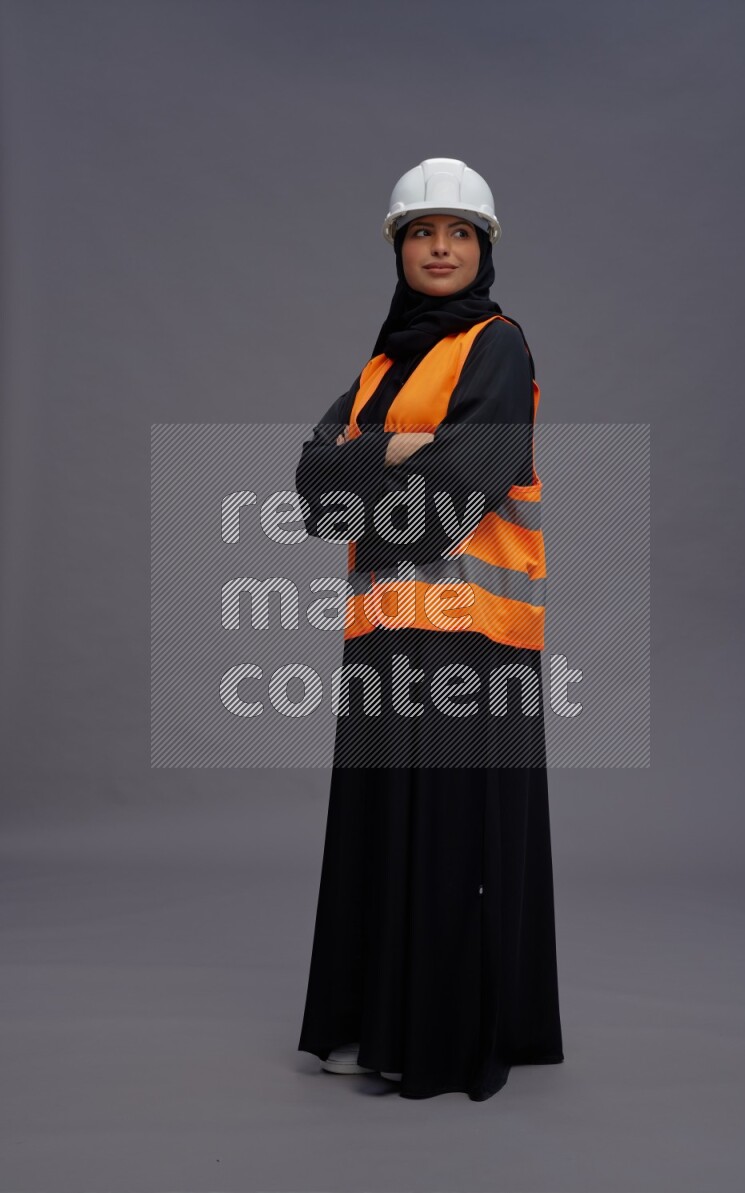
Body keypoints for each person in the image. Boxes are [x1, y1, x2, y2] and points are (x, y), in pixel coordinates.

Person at [295, 158, 564, 1101]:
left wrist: (369, 461)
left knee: (453, 842)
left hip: (473, 639)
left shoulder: (499, 346)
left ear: (483, 248)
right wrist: (403, 449)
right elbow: (311, 491)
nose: (440, 248)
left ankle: (441, 1042)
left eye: (458, 233)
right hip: (381, 633)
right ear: (399, 247)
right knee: (378, 830)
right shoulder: (381, 366)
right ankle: (374, 1028)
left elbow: (458, 492)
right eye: (422, 232)